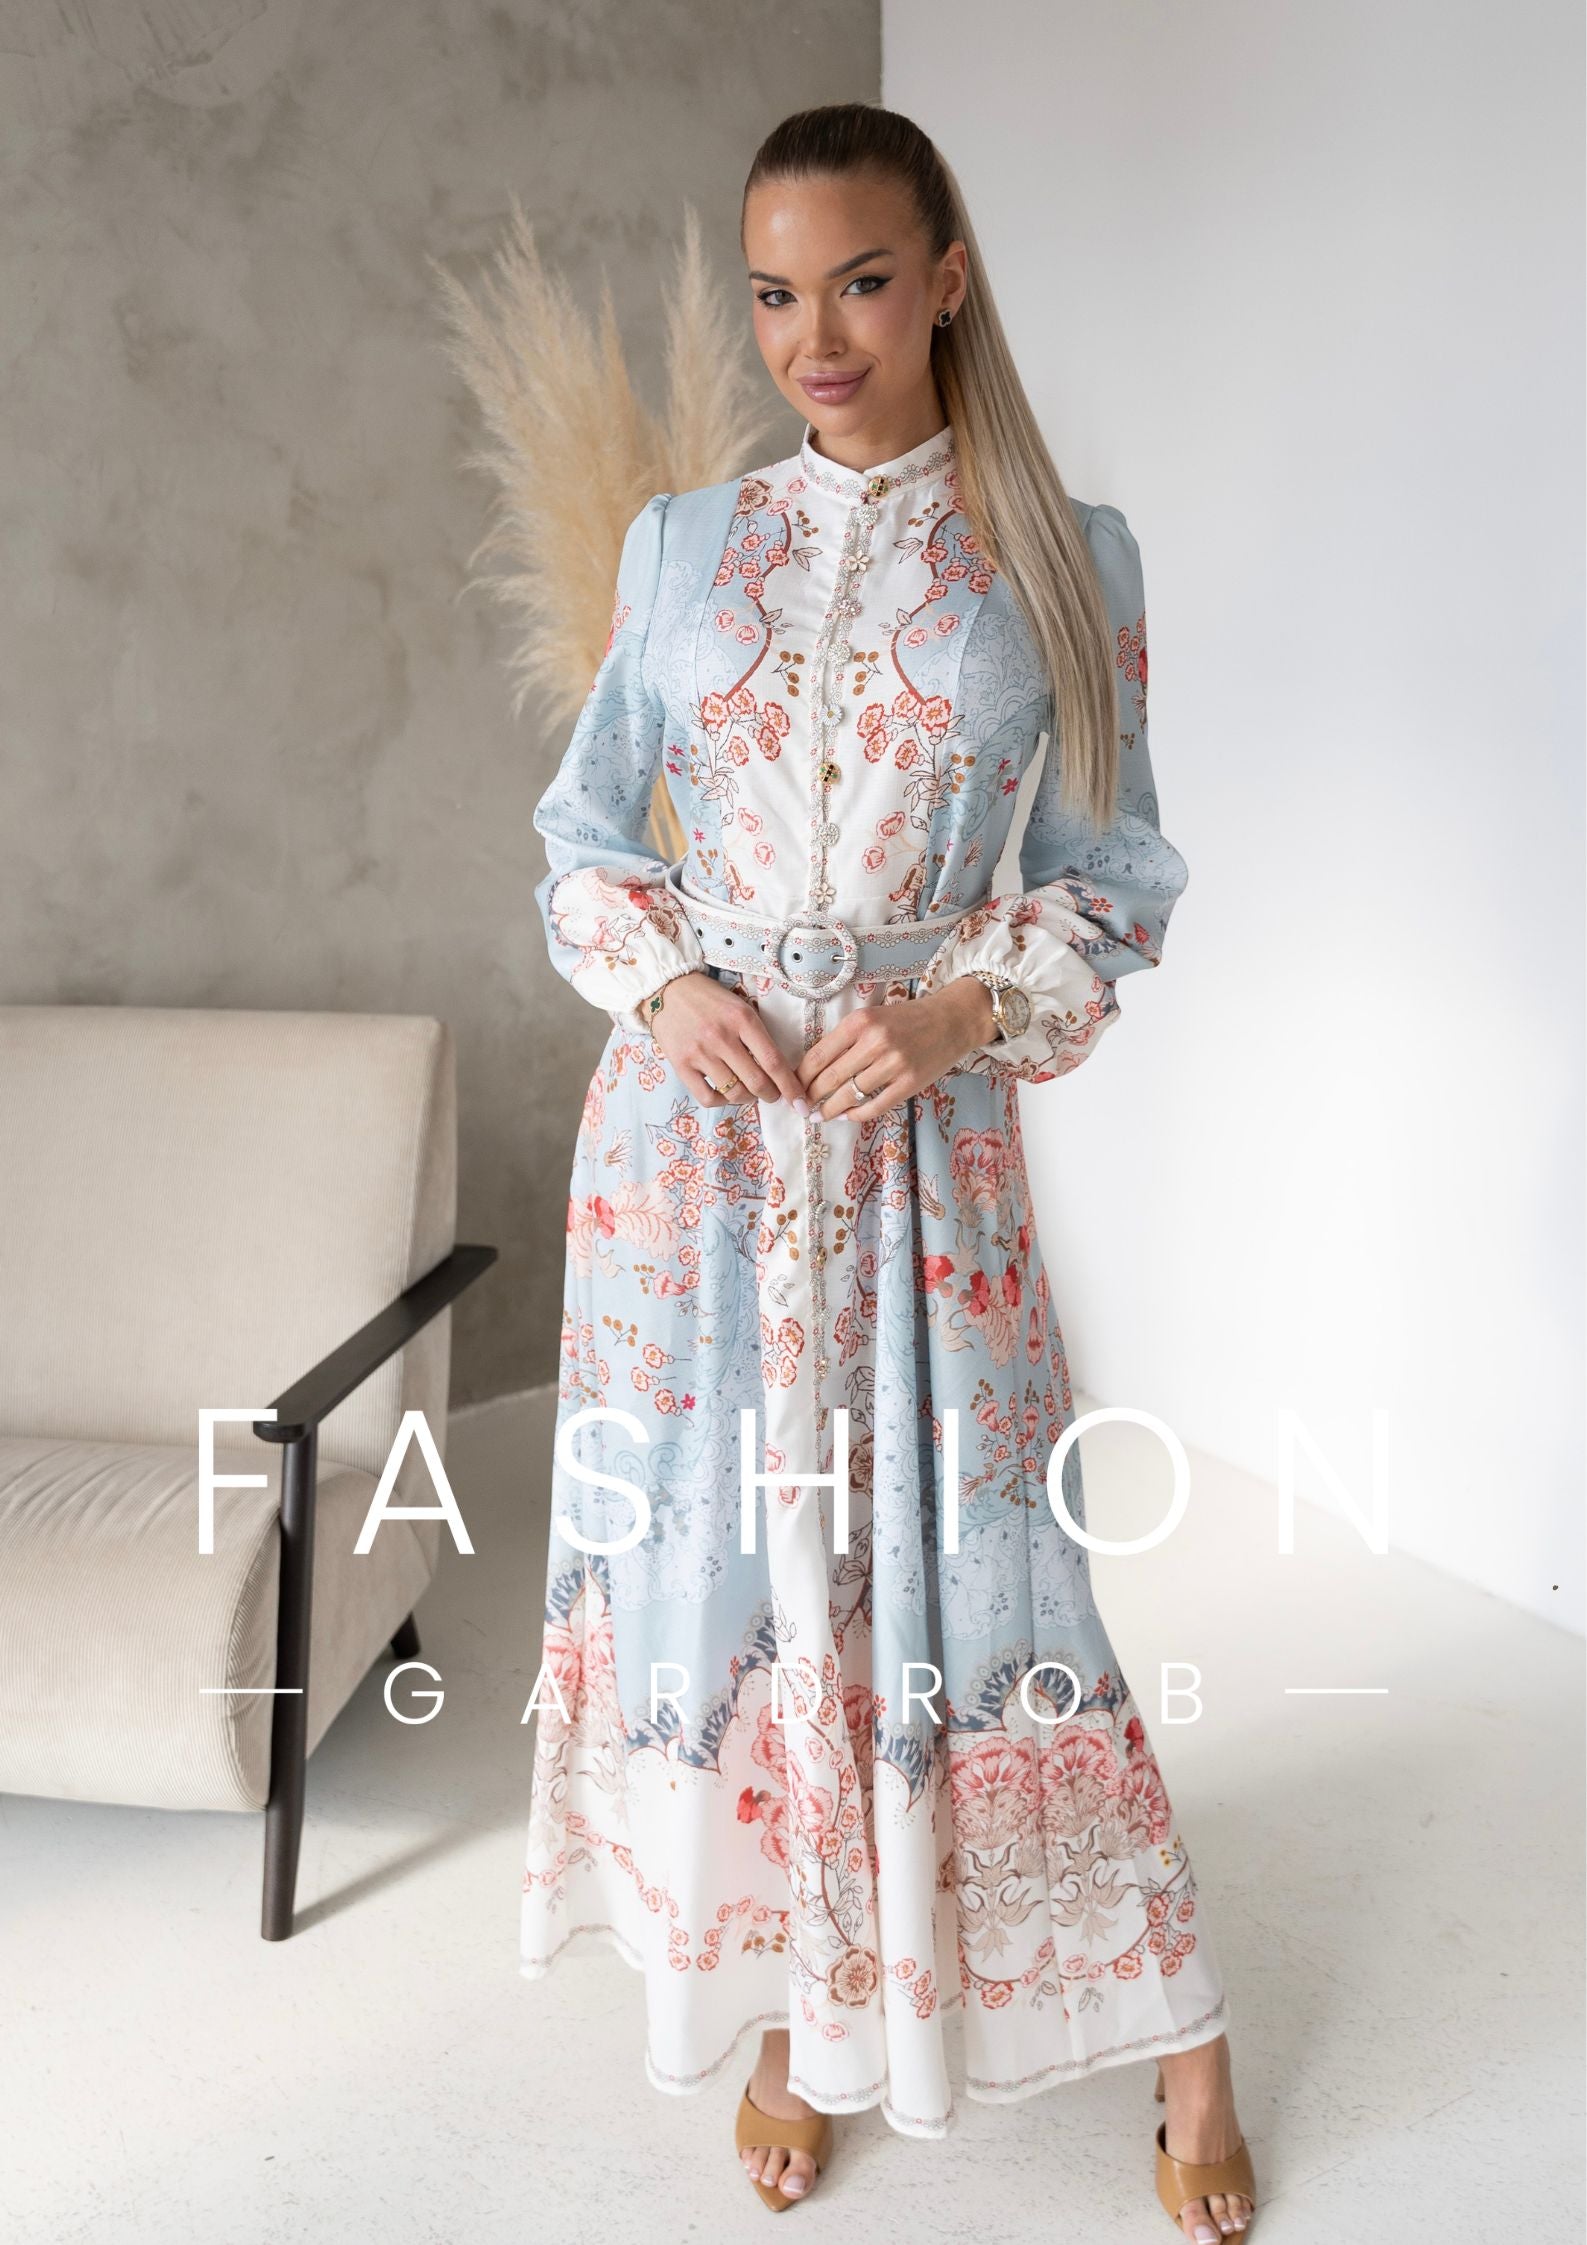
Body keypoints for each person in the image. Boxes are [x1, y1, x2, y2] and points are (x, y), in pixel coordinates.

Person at [521, 101, 1257, 2242]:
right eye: (773, 293)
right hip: (691, 1168)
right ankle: (800, 2010)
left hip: (922, 1160)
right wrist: (666, 983)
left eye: (856, 281)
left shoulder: (1067, 555)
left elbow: (1116, 876)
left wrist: (948, 1014)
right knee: (741, 1588)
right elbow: (582, 841)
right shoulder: (683, 546)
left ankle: (1183, 2030)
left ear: (942, 277)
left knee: (994, 1590)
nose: (812, 337)